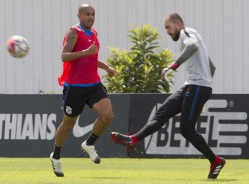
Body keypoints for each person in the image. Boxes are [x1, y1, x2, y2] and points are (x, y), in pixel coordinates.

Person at [111, 13, 225, 179]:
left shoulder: (187, 33)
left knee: (186, 129)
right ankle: (133, 139)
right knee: (161, 114)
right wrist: (204, 89)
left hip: (198, 87)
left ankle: (215, 161)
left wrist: (174, 66)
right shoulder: (191, 36)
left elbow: (192, 46)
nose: (167, 31)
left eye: (168, 27)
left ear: (178, 23)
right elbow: (211, 66)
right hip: (192, 87)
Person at [50, 4, 117, 177]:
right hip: (75, 87)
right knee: (68, 125)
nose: (91, 17)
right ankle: (56, 156)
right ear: (78, 15)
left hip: (93, 84)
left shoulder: (94, 33)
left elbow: (91, 58)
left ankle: (89, 143)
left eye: (93, 14)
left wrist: (106, 67)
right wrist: (84, 51)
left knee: (107, 115)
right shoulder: (73, 32)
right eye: (87, 14)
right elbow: (64, 56)